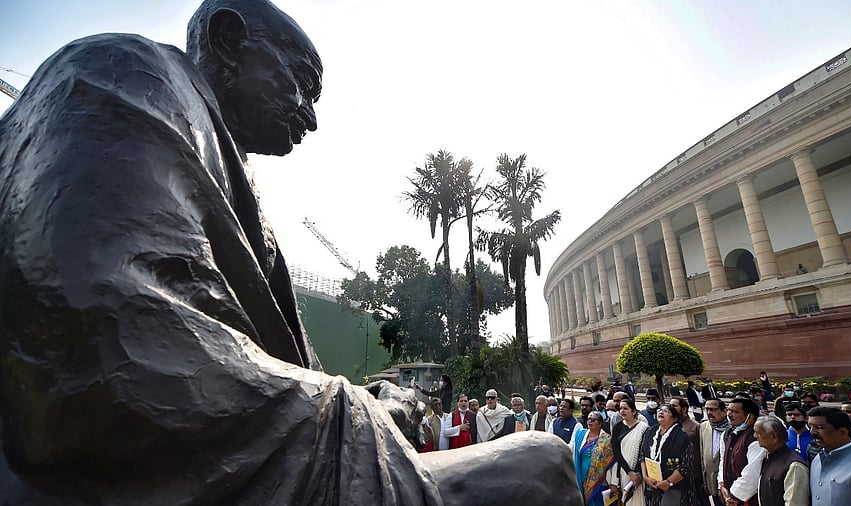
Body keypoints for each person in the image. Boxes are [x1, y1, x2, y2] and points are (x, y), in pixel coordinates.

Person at [0, 1, 458, 503]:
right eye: (301, 82)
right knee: (539, 464)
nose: (310, 114)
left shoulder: (233, 173)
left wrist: (369, 402)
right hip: (104, 469)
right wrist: (355, 414)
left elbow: (298, 374)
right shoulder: (119, 76)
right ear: (227, 40)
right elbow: (106, 346)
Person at [640, 405, 694, 506]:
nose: (661, 412)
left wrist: (668, 482)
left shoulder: (682, 436)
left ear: (675, 418)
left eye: (666, 411)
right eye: (659, 410)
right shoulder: (650, 432)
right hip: (652, 485)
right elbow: (642, 455)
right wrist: (645, 477)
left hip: (674, 487)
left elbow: (685, 465)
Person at [752, 416, 809, 506]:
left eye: (758, 433)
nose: (755, 436)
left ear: (773, 436)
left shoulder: (795, 466)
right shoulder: (768, 458)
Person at [718, 398, 765, 506]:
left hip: (747, 499)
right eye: (729, 410)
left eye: (735, 412)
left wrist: (734, 496)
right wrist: (721, 484)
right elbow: (723, 460)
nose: (729, 415)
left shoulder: (756, 437)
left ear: (750, 416)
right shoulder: (727, 434)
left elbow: (753, 472)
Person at [570, 412, 617, 505]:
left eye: (593, 420)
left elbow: (612, 463)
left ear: (600, 424)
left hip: (599, 482)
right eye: (588, 419)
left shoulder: (607, 440)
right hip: (581, 479)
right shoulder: (580, 435)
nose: (590, 421)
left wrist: (613, 483)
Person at [610, 398, 648, 506]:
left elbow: (644, 452)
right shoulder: (617, 427)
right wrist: (629, 472)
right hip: (623, 471)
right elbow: (616, 451)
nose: (622, 411)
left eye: (625, 408)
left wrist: (637, 474)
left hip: (639, 473)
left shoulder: (643, 428)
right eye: (620, 408)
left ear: (634, 411)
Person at [669, 396, 703, 504]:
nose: (671, 408)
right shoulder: (669, 426)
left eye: (674, 406)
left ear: (683, 409)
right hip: (673, 476)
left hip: (693, 476)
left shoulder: (695, 427)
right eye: (670, 405)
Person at [699, 399, 729, 506]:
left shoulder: (732, 428)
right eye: (707, 409)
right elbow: (703, 455)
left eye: (713, 409)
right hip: (711, 481)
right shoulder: (703, 426)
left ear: (724, 411)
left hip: (728, 482)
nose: (709, 413)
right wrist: (705, 481)